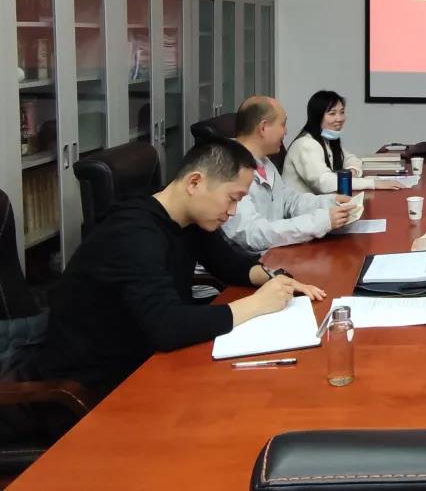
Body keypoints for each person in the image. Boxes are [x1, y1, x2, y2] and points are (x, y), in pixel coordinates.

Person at [34, 138, 326, 400]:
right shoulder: (134, 234)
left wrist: (275, 279)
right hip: (96, 388)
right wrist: (257, 304)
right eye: (233, 198)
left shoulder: (188, 219)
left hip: (150, 363)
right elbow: (167, 326)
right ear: (195, 182)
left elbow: (228, 263)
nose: (233, 211)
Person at [222, 96, 356, 255]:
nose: (285, 132)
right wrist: (318, 222)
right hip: (256, 262)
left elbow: (290, 202)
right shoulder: (230, 169)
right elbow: (252, 234)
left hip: (279, 252)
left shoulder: (264, 162)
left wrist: (330, 202)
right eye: (282, 124)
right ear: (263, 127)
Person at [283, 90, 402, 194]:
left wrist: (352, 171)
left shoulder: (327, 139)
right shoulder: (306, 144)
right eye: (332, 113)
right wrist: (372, 183)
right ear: (317, 116)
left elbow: (351, 159)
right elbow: (325, 183)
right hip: (303, 210)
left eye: (342, 112)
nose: (339, 119)